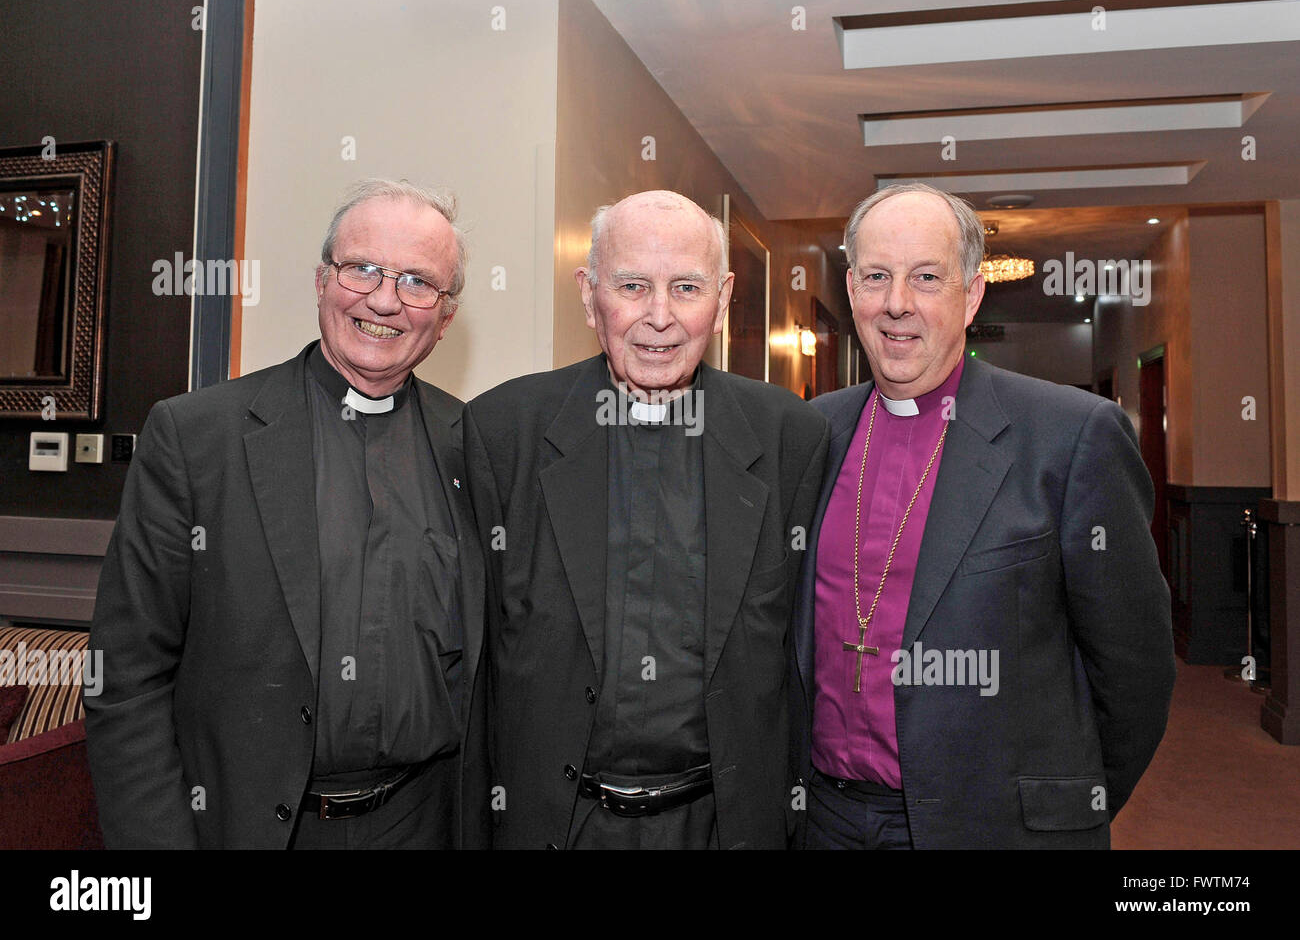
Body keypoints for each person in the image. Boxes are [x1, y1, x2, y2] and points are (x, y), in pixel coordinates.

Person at [85, 179, 488, 848]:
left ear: (444, 317)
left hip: (426, 824)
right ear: (322, 279)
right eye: (363, 269)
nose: (385, 300)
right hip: (255, 829)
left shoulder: (475, 445)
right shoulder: (197, 437)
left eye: (419, 282)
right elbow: (125, 677)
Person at [791, 183, 1174, 848]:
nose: (897, 303)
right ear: (852, 290)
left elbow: (1135, 668)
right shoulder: (808, 433)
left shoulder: (1071, 433)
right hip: (826, 818)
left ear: (970, 296)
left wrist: (1060, 808)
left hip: (995, 827)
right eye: (877, 277)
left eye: (927, 278)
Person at [465, 190, 828, 849]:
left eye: (686, 287)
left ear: (722, 301)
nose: (659, 317)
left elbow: (802, 654)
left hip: (723, 824)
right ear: (589, 294)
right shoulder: (503, 431)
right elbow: (474, 660)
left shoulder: (790, 440)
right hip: (556, 822)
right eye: (632, 285)